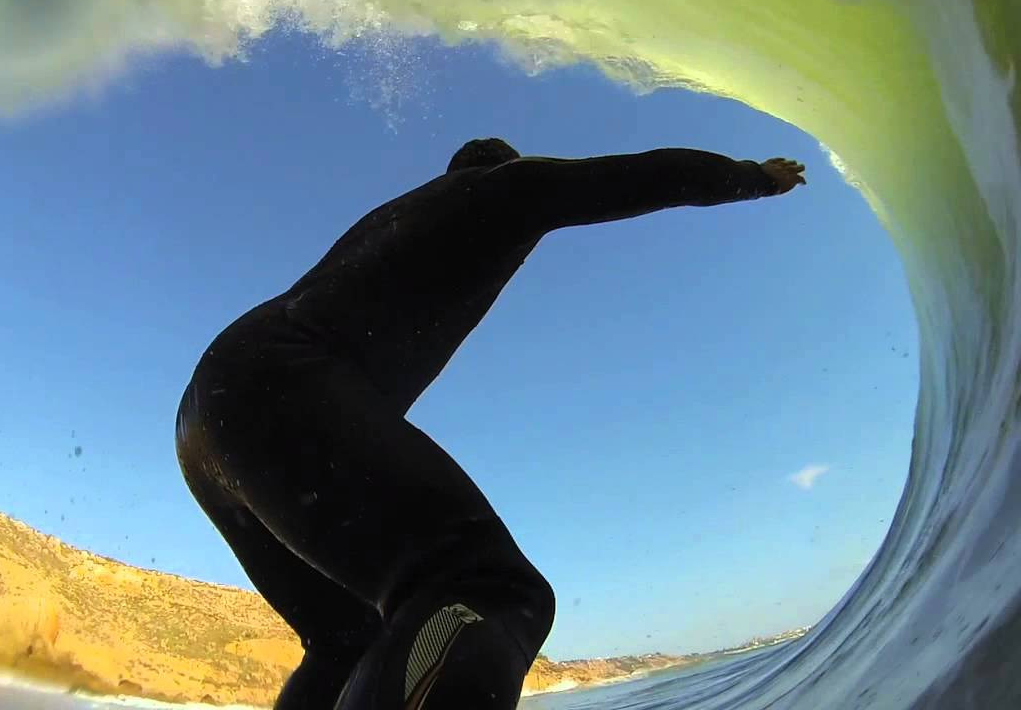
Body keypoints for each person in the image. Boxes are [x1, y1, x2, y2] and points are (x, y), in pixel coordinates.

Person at [175, 138, 806, 709]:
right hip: (277, 377)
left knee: (346, 640)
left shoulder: (395, 218)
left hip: (205, 413)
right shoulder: (504, 188)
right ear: (502, 164)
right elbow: (643, 176)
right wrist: (755, 177)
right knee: (490, 588)